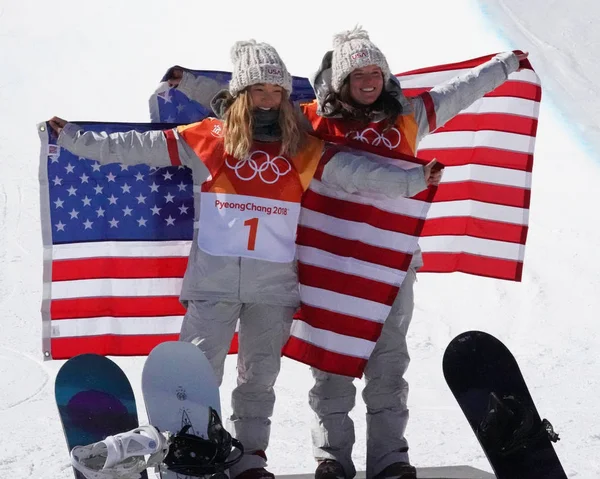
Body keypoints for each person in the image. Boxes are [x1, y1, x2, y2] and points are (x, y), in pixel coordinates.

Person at [47, 39, 441, 479]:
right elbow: (137, 146)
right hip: (212, 287)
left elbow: (355, 173)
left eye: (277, 91)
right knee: (195, 378)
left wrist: (411, 180)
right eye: (259, 90)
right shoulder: (207, 139)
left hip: (273, 292)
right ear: (241, 94)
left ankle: (249, 461)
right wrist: (74, 138)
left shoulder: (299, 147)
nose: (269, 100)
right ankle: (184, 459)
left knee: (257, 383)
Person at [297, 27, 528, 479]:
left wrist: (506, 64)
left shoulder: (407, 116)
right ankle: (331, 459)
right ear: (341, 79)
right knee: (332, 364)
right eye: (358, 74)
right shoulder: (311, 121)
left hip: (391, 264)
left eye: (376, 72)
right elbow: (252, 102)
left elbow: (458, 91)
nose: (369, 81)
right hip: (330, 261)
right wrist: (189, 84)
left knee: (388, 365)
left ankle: (389, 459)